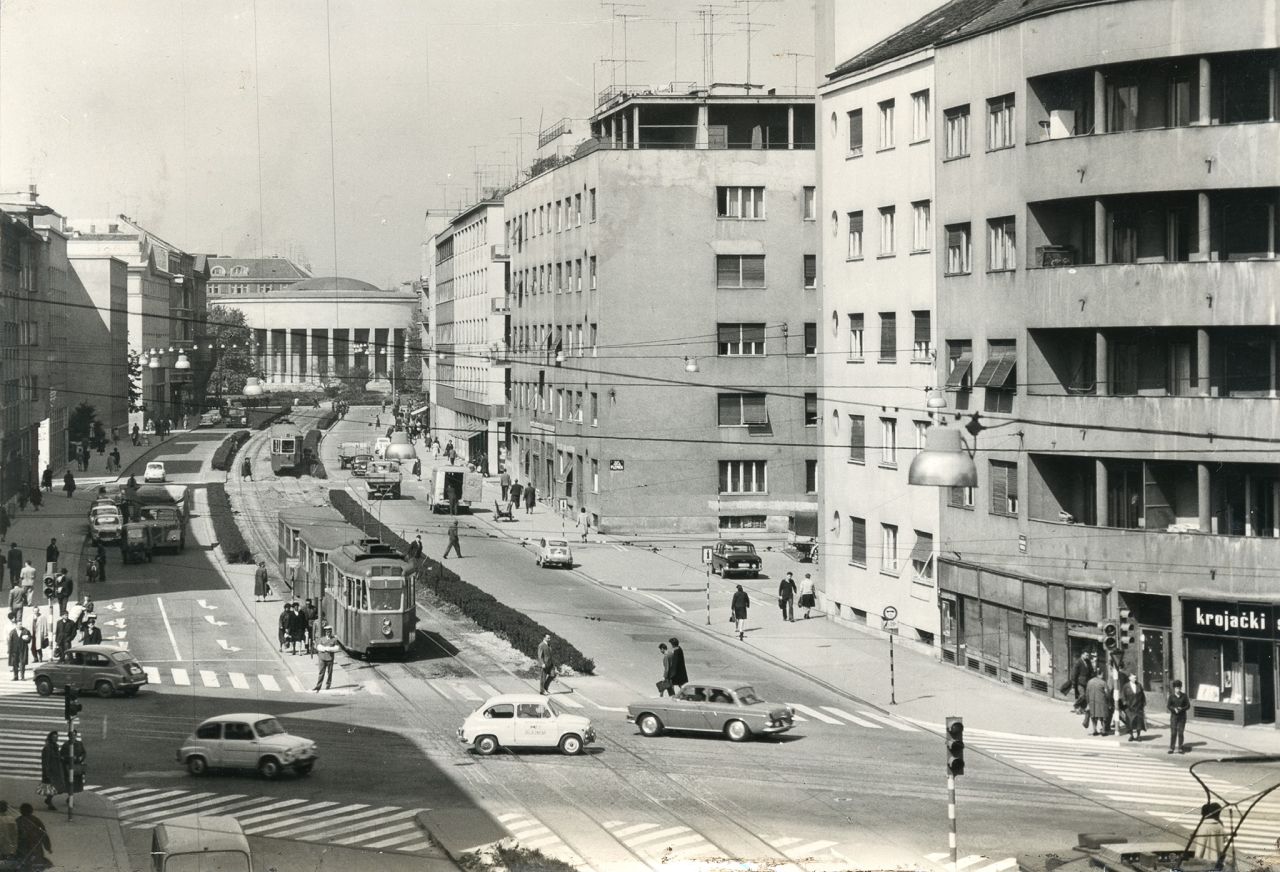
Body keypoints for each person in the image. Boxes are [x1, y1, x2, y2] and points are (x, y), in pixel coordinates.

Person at [1193, 801, 1234, 867]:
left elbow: (1200, 847)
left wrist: (1196, 861)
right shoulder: (1219, 825)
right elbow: (1225, 840)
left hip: (1205, 863)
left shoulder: (1203, 827)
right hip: (1218, 861)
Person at [15, 803, 51, 870]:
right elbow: (44, 834)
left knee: (24, 866)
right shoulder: (36, 820)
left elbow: (15, 836)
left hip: (23, 849)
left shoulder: (18, 821)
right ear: (32, 811)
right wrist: (48, 847)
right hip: (35, 849)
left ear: (21, 811)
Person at [37, 732, 64, 811]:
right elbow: (46, 761)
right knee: (52, 787)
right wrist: (46, 772)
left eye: (56, 737)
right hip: (51, 771)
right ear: (50, 738)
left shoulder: (55, 746)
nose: (56, 738)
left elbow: (57, 757)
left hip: (56, 770)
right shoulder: (47, 748)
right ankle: (49, 802)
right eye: (54, 737)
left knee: (56, 787)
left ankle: (48, 800)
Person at [1168, 679, 1191, 754]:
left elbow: (1188, 706)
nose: (1178, 689)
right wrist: (1174, 709)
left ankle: (1180, 748)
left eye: (1179, 688)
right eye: (1176, 688)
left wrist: (1182, 709)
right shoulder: (1171, 696)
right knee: (1173, 733)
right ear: (1174, 688)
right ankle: (1172, 748)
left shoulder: (1184, 696)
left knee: (1180, 733)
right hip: (1174, 717)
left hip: (1182, 717)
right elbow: (1168, 706)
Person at [1121, 673, 1146, 742]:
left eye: (1135, 678)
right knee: (1130, 722)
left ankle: (1138, 736)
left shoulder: (1139, 685)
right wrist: (1125, 703)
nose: (1135, 679)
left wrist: (1143, 703)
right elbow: (1123, 696)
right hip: (1130, 707)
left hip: (1138, 707)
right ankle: (1131, 735)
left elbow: (1142, 695)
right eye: (1133, 678)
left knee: (1139, 722)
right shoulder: (1126, 686)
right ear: (1129, 678)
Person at [1070, 652, 1094, 720]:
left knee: (1086, 696)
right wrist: (1074, 682)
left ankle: (1082, 708)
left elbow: (1091, 670)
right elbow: (1074, 673)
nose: (1087, 656)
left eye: (1088, 655)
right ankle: (1076, 705)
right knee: (1082, 695)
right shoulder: (1078, 662)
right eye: (1086, 655)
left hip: (1087, 682)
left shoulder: (1088, 662)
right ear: (1082, 654)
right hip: (1080, 682)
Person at [314, 624, 338, 691]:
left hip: (330, 658)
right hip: (322, 658)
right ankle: (318, 686)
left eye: (330, 632)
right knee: (321, 672)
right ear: (325, 632)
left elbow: (336, 648)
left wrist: (329, 649)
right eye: (327, 632)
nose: (328, 633)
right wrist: (326, 648)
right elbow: (318, 647)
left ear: (331, 632)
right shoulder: (322, 639)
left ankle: (328, 685)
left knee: (330, 672)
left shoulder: (334, 639)